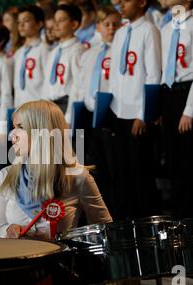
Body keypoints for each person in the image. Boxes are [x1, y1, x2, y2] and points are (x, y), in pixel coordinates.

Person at [0, 100, 112, 239]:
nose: (12, 135)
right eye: (14, 127)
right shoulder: (6, 175)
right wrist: (7, 230)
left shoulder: (78, 177)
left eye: (20, 127)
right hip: (15, 260)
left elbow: (104, 229)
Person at [108, 0, 162, 220]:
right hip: (117, 110)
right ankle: (126, 222)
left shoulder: (149, 30)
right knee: (121, 172)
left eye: (127, 0)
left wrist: (143, 113)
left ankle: (146, 222)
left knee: (141, 172)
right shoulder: (121, 33)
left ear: (141, 2)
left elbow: (153, 75)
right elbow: (114, 73)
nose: (121, 4)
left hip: (137, 114)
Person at [160, 0, 193, 218]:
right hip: (168, 95)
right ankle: (178, 215)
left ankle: (192, 216)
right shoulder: (165, 29)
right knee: (173, 160)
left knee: (190, 160)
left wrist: (189, 110)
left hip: (187, 93)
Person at [77, 6, 122, 211]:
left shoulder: (120, 51)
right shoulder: (89, 54)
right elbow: (81, 84)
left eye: (115, 24)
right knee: (96, 167)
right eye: (107, 24)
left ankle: (116, 208)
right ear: (98, 27)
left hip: (111, 112)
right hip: (89, 113)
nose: (111, 28)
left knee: (114, 166)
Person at [43, 4, 85, 118]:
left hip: (65, 107)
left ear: (74, 24)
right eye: (55, 20)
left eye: (61, 20)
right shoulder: (53, 52)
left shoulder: (78, 50)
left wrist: (69, 116)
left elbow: (78, 86)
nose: (56, 25)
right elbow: (46, 85)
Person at [13, 5, 49, 108]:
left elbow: (47, 83)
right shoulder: (19, 53)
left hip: (38, 108)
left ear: (39, 24)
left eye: (26, 21)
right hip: (20, 108)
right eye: (19, 22)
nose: (21, 25)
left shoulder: (44, 49)